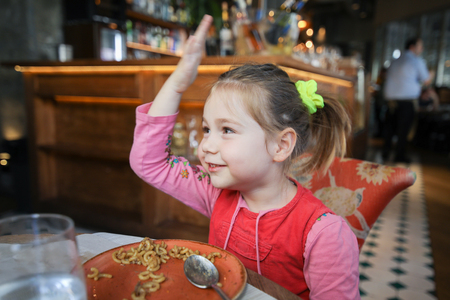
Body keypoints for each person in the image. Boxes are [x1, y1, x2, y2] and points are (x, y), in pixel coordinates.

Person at [129, 15, 360, 299]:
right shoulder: (217, 192)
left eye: (226, 130)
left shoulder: (324, 235)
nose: (207, 146)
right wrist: (178, 82)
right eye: (206, 129)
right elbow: (149, 162)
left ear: (281, 145)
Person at [382, 38, 433, 163]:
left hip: (391, 102)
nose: (422, 49)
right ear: (412, 47)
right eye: (420, 46)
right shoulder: (416, 61)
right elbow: (426, 80)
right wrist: (432, 73)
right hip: (406, 102)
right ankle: (399, 156)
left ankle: (386, 152)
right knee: (403, 131)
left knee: (390, 129)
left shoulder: (395, 60)